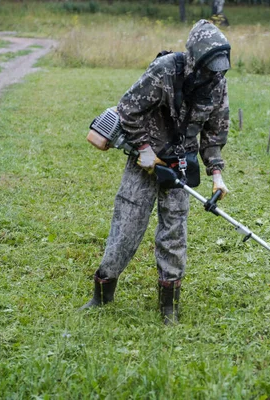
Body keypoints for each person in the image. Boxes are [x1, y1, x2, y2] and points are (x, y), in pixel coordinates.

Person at [80, 20, 231, 325]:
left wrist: (216, 173)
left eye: (219, 69)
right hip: (145, 160)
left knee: (174, 234)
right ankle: (102, 293)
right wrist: (145, 150)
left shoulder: (217, 84)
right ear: (195, 59)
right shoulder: (164, 71)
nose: (214, 75)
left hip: (181, 165)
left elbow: (214, 134)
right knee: (127, 228)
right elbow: (128, 110)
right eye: (209, 68)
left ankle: (169, 306)